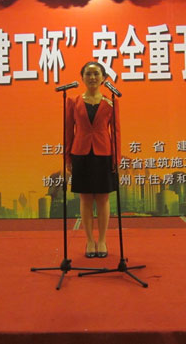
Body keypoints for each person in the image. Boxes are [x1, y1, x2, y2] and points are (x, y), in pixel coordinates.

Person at [65, 61, 121, 258]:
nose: (92, 77)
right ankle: (89, 240)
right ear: (82, 77)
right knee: (86, 198)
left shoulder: (110, 101)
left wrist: (116, 158)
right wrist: (67, 157)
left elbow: (116, 132)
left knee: (103, 198)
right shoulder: (73, 101)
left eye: (96, 73)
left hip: (104, 154)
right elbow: (68, 131)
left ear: (103, 78)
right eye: (88, 74)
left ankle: (103, 240)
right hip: (80, 153)